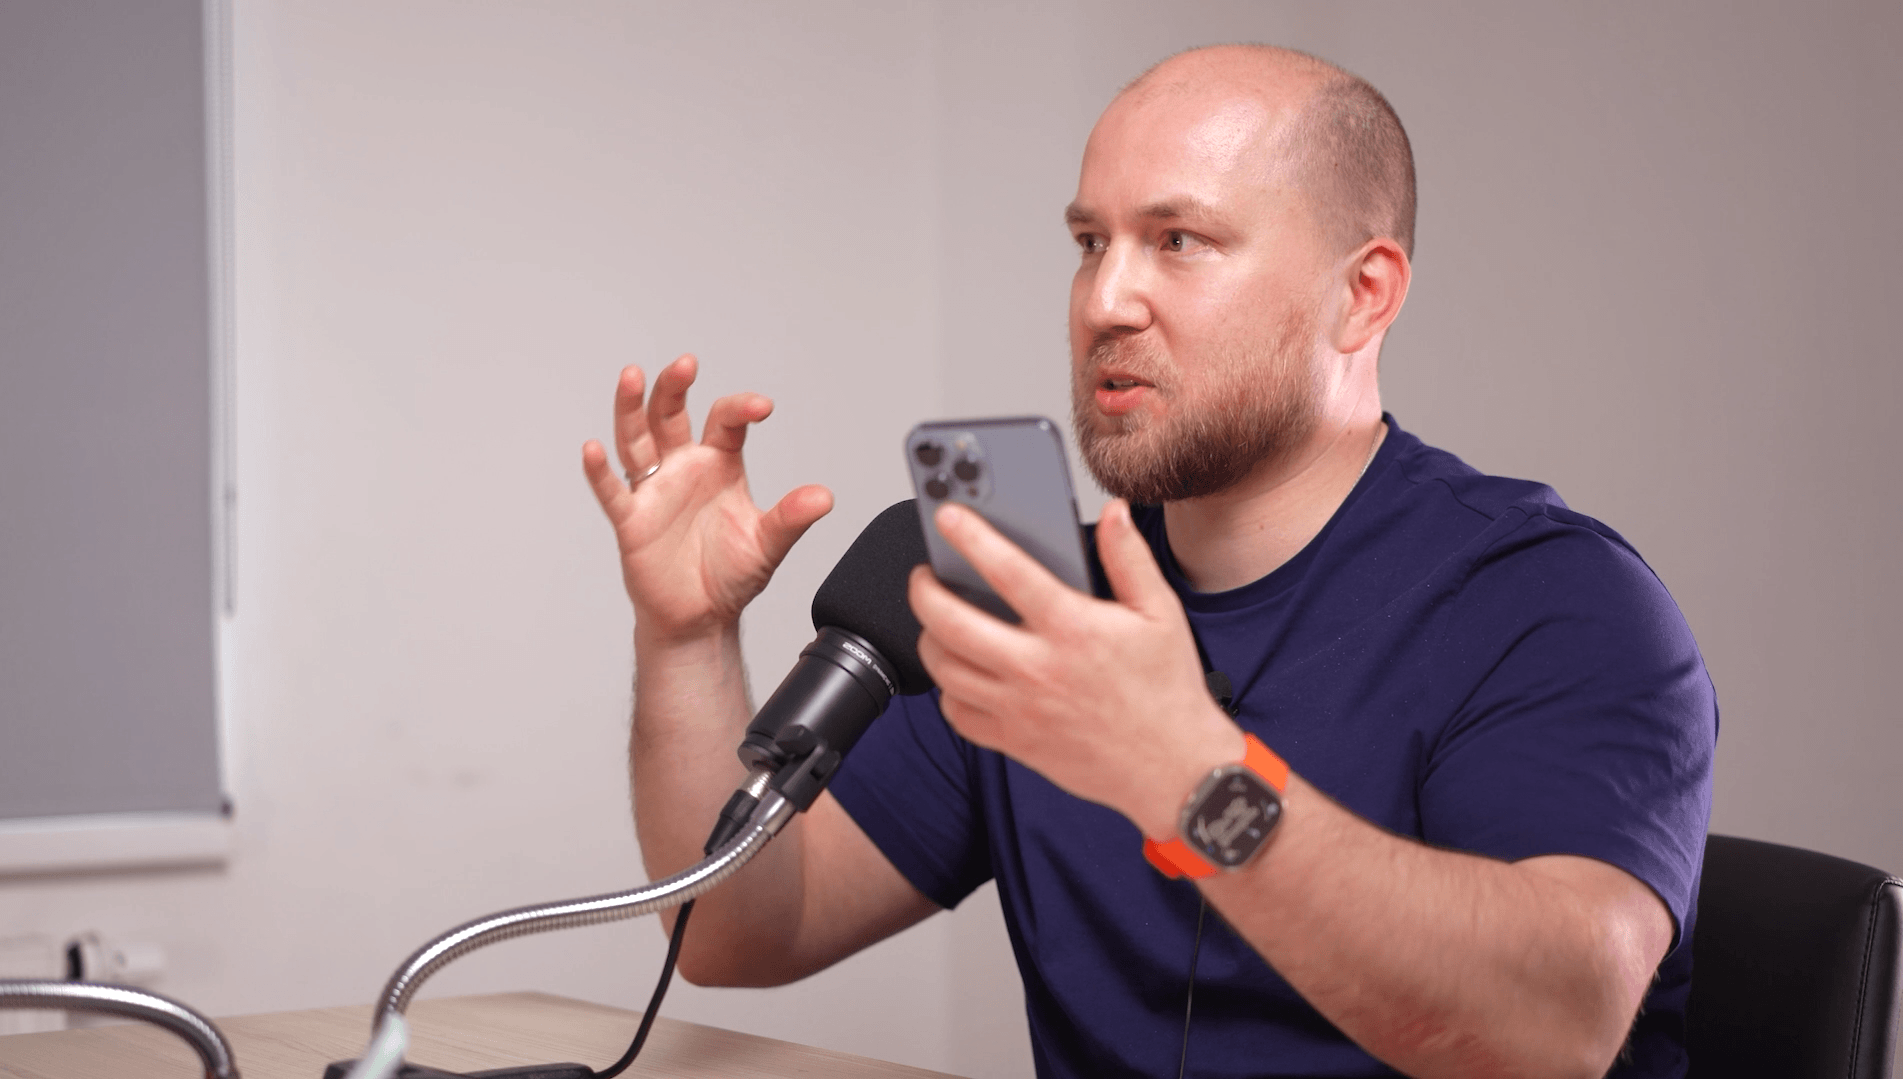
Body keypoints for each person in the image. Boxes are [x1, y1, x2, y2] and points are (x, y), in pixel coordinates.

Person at [581, 44, 1715, 1079]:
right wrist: (685, 636)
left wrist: (1185, 773)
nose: (1105, 301)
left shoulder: (1553, 603)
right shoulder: (1042, 609)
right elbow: (736, 931)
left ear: (1361, 294)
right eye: (1090, 243)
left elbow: (1553, 1028)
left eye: (1178, 240)